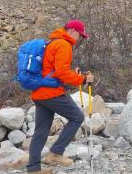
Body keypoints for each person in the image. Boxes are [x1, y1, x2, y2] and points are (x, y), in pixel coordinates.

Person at [27, 20, 94, 174]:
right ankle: (56, 153)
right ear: (72, 31)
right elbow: (61, 73)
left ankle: (33, 168)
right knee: (77, 117)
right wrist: (83, 79)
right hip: (52, 93)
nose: (79, 38)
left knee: (41, 131)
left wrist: (74, 74)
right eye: (80, 35)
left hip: (39, 92)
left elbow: (53, 69)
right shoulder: (64, 45)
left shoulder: (52, 42)